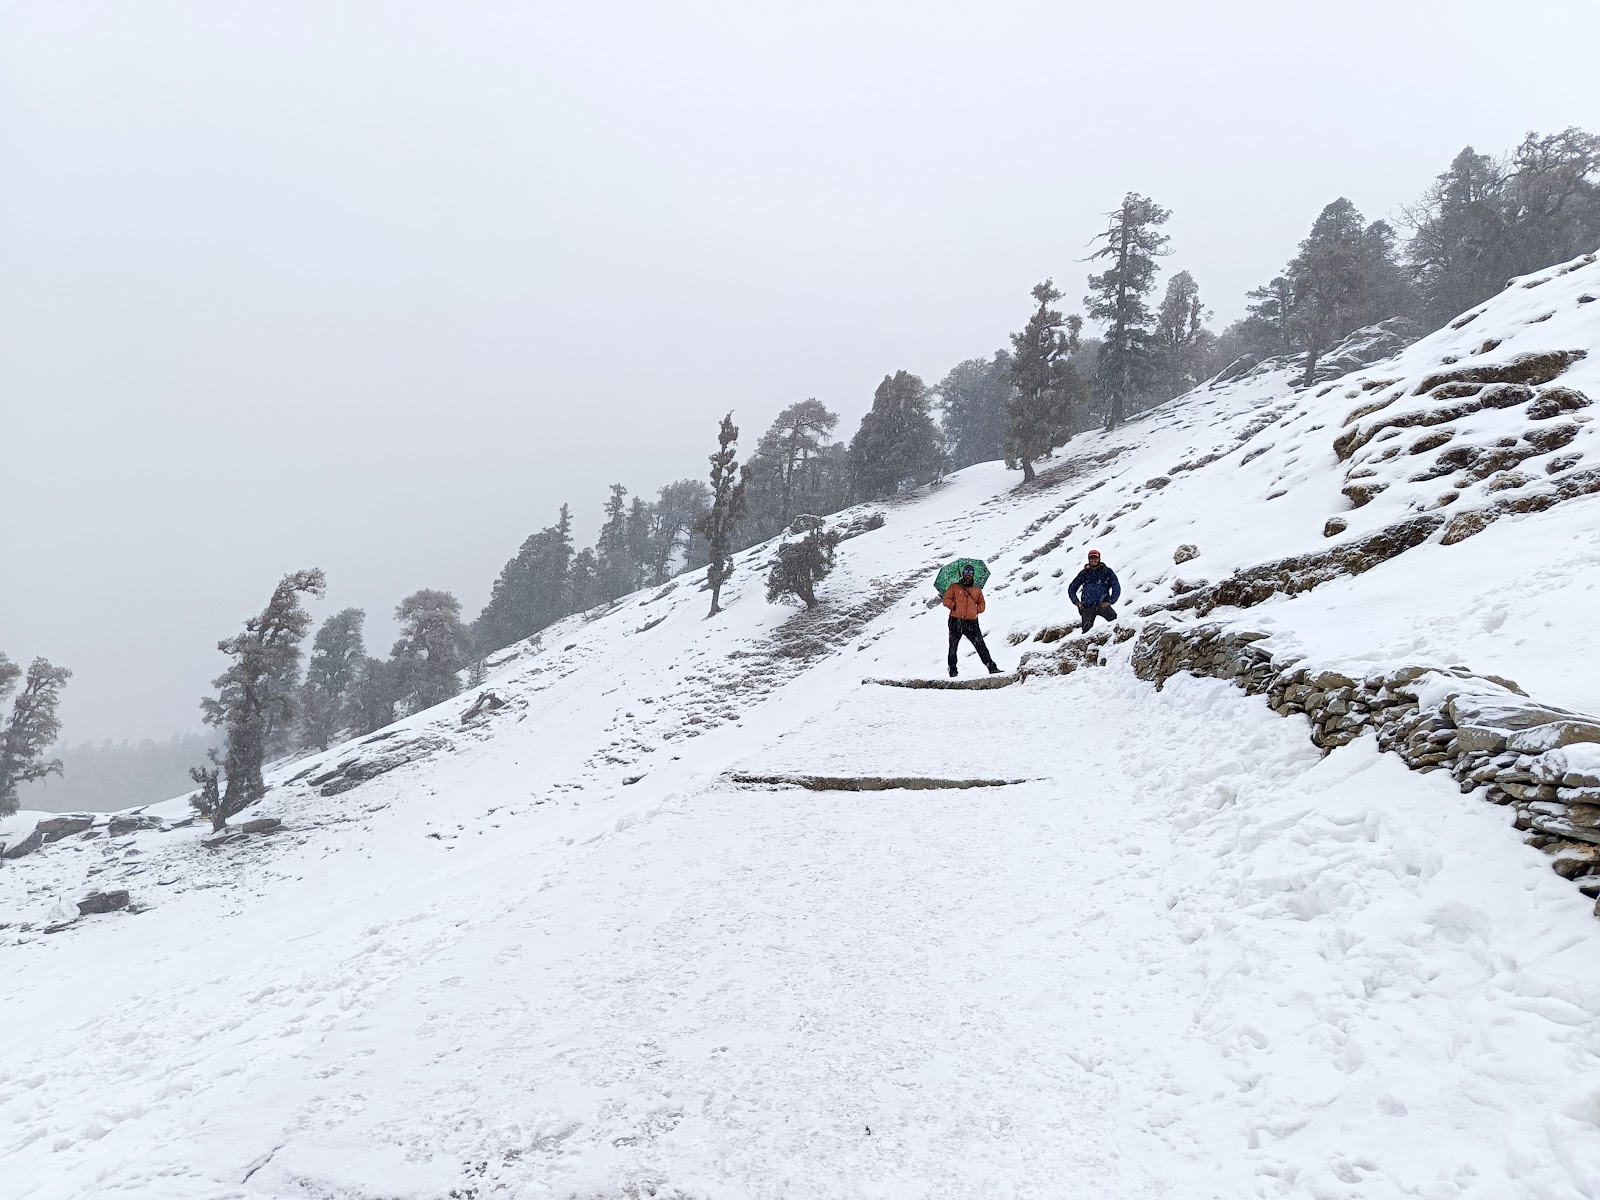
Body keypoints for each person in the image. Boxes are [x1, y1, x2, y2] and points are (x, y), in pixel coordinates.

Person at [942, 563, 1002, 677]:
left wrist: (976, 610)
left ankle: (992, 667)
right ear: (962, 574)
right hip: (955, 620)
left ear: (973, 574)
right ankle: (953, 671)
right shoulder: (954, 587)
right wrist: (953, 606)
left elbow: (982, 603)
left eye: (970, 572)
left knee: (980, 645)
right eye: (966, 572)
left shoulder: (976, 590)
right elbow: (946, 599)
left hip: (971, 621)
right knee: (953, 646)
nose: (968, 574)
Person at [1068, 549, 1121, 633]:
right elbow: (1071, 588)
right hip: (1087, 607)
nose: (1093, 560)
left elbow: (1116, 587)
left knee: (1115, 624)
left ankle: (1117, 644)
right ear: (1088, 560)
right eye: (1091, 558)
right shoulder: (1084, 573)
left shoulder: (1107, 571)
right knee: (1086, 632)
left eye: (1095, 558)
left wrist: (1111, 601)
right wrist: (1077, 602)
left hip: (1103, 605)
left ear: (1099, 559)